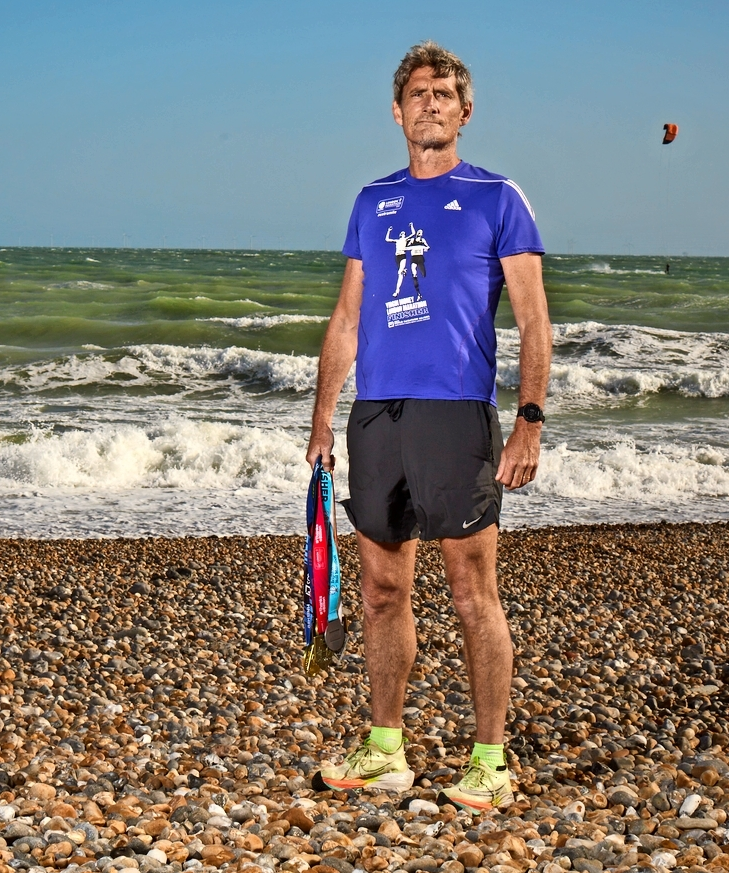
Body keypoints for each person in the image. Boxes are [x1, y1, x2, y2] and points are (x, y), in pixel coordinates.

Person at [306, 40, 552, 813]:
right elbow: (347, 318)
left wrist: (529, 423)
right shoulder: (370, 202)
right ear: (396, 110)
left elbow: (534, 320)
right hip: (378, 412)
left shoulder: (496, 196)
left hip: (456, 414)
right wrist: (322, 419)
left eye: (444, 93)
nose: (430, 103)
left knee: (470, 588)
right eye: (417, 93)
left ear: (465, 110)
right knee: (382, 587)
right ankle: (385, 750)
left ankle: (489, 758)